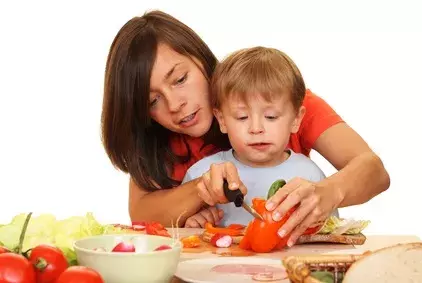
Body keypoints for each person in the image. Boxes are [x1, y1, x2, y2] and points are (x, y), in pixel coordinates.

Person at [101, 10, 390, 245]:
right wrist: (200, 193)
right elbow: (141, 214)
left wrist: (330, 191)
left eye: (179, 79)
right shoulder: (158, 139)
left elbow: (373, 170)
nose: (175, 104)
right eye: (153, 101)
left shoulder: (276, 100)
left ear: (201, 59)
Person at [182, 46, 339, 228]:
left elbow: (330, 234)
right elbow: (184, 239)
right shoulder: (201, 175)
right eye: (242, 117)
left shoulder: (310, 175)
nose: (256, 129)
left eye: (271, 117)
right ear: (222, 120)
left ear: (296, 119)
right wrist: (194, 224)